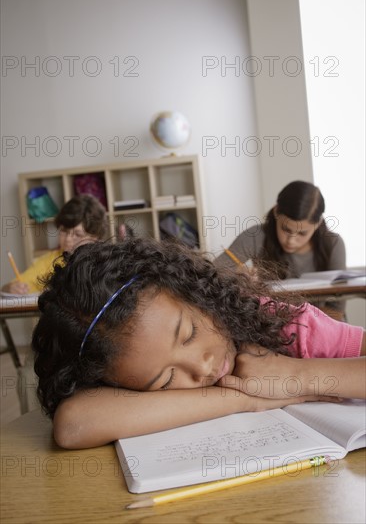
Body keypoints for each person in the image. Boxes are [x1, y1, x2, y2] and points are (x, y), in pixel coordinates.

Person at [31, 237, 365, 450]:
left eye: (189, 332)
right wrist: (243, 398)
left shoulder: (289, 325)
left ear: (193, 291)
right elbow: (73, 424)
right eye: (165, 381)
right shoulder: (127, 368)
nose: (202, 366)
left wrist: (295, 376)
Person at [214, 180, 346, 318]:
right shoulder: (255, 236)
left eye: (302, 233)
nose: (291, 240)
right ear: (276, 211)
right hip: (272, 323)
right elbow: (212, 274)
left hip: (323, 325)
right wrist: (240, 281)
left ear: (317, 223)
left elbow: (336, 310)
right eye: (285, 229)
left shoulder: (333, 244)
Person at [2, 194, 108, 294]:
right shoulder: (49, 260)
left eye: (77, 234)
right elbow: (11, 286)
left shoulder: (106, 262)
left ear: (96, 238)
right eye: (64, 231)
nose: (68, 239)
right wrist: (10, 288)